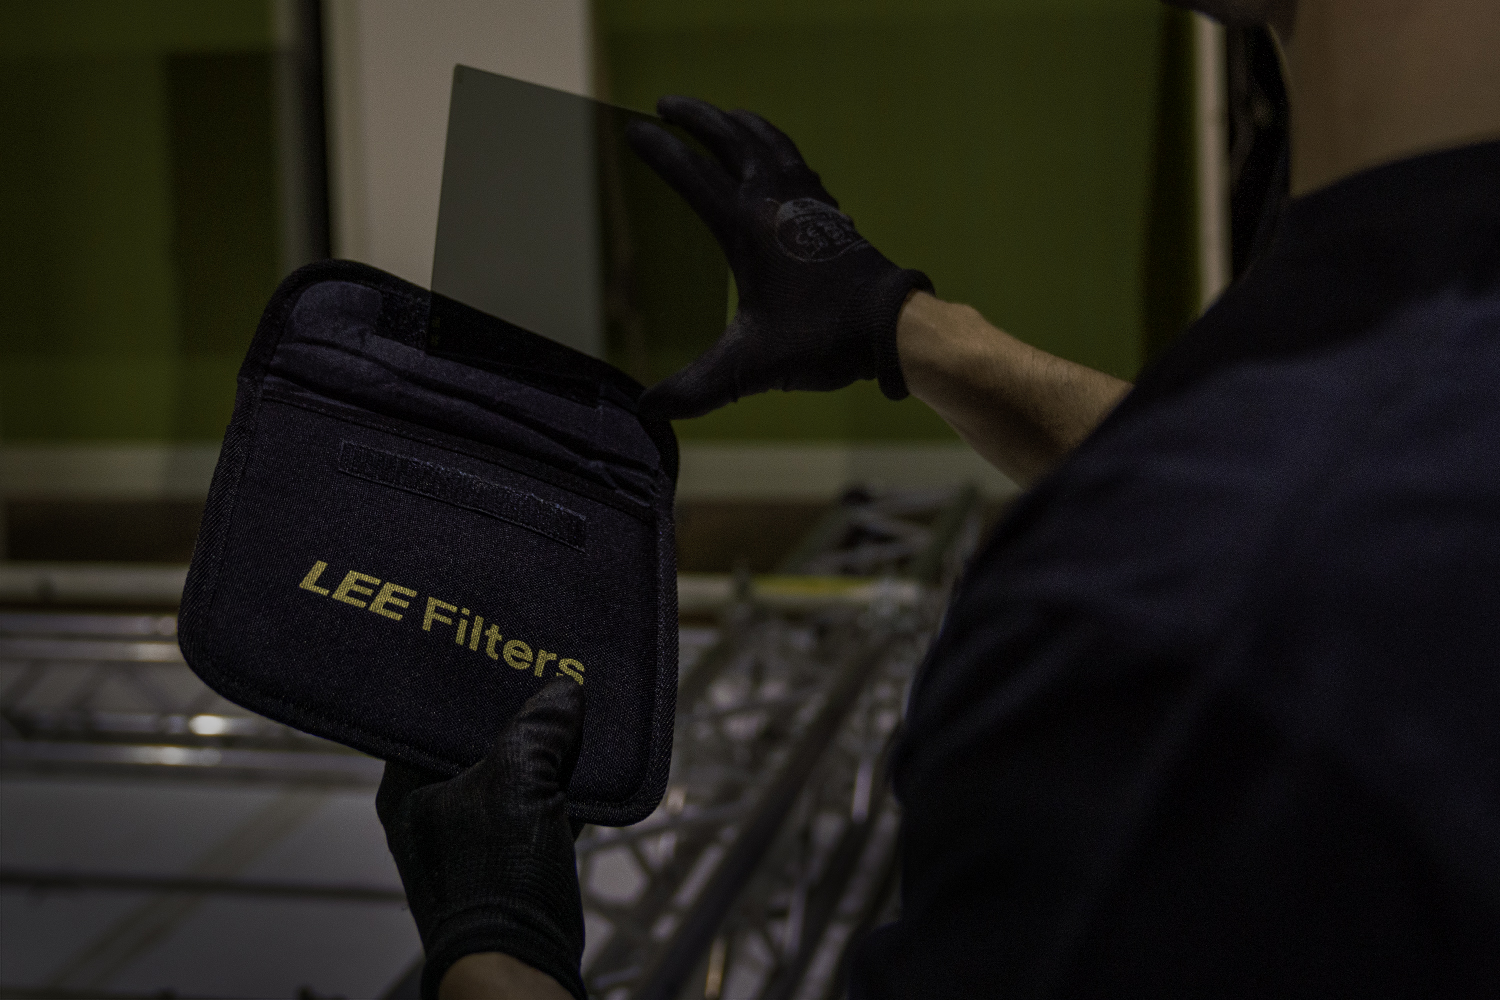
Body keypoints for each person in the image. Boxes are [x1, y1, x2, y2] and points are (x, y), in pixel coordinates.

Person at [374, 0, 1500, 995]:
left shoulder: (1155, 637)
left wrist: (497, 944)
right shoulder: (1367, 457)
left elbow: (1274, 529)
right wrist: (904, 328)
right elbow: (1332, 483)